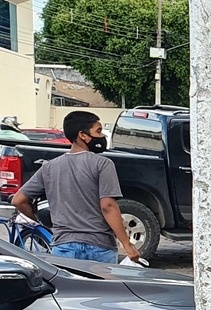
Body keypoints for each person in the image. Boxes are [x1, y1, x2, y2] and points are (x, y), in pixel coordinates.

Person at [11, 111, 141, 264]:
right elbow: (108, 206)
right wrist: (127, 244)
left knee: (70, 289)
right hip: (99, 247)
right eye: (98, 131)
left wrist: (39, 221)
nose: (102, 137)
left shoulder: (49, 167)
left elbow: (18, 200)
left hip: (63, 247)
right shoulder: (103, 164)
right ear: (83, 135)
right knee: (102, 289)